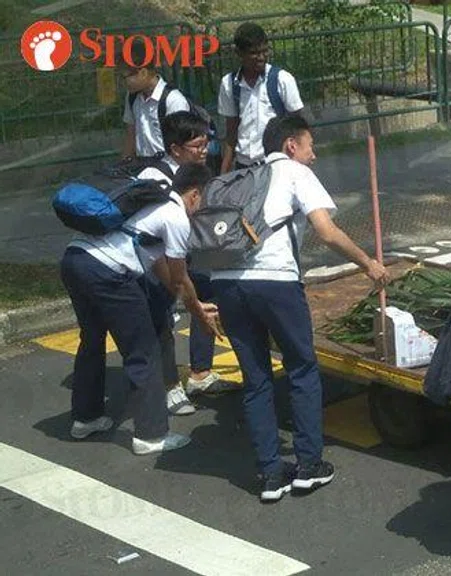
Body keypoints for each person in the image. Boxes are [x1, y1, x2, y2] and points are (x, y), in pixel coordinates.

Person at [210, 114, 389, 502]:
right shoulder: (295, 173)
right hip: (275, 281)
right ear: (291, 145)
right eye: (310, 145)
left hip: (227, 284)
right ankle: (309, 465)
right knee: (302, 368)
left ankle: (271, 475)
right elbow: (326, 231)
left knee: (255, 378)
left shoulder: (246, 178)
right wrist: (368, 263)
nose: (315, 155)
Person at [60, 130, 219, 457]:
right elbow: (180, 276)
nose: (201, 207)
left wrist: (187, 301)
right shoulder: (175, 215)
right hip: (107, 272)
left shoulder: (149, 202)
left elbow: (160, 268)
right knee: (143, 348)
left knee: (92, 338)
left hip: (75, 260)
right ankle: (150, 434)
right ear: (193, 194)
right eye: (203, 199)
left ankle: (86, 417)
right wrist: (198, 310)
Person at [135, 111, 227, 416]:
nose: (203, 152)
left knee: (207, 292)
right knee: (162, 316)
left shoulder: (190, 173)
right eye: (197, 147)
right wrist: (178, 285)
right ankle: (170, 387)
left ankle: (199, 373)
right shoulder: (155, 178)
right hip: (146, 264)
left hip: (173, 256)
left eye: (206, 146)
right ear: (175, 149)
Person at [217, 22, 306, 173]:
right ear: (238, 53)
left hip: (276, 165)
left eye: (265, 51)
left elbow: (298, 128)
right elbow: (231, 132)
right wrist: (223, 175)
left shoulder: (282, 80)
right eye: (254, 53)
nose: (261, 58)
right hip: (244, 167)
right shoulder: (229, 85)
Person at [120, 40, 191, 159]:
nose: (122, 82)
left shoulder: (173, 101)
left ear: (142, 72)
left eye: (125, 77)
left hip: (168, 171)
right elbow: (130, 135)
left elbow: (184, 146)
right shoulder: (132, 97)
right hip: (142, 169)